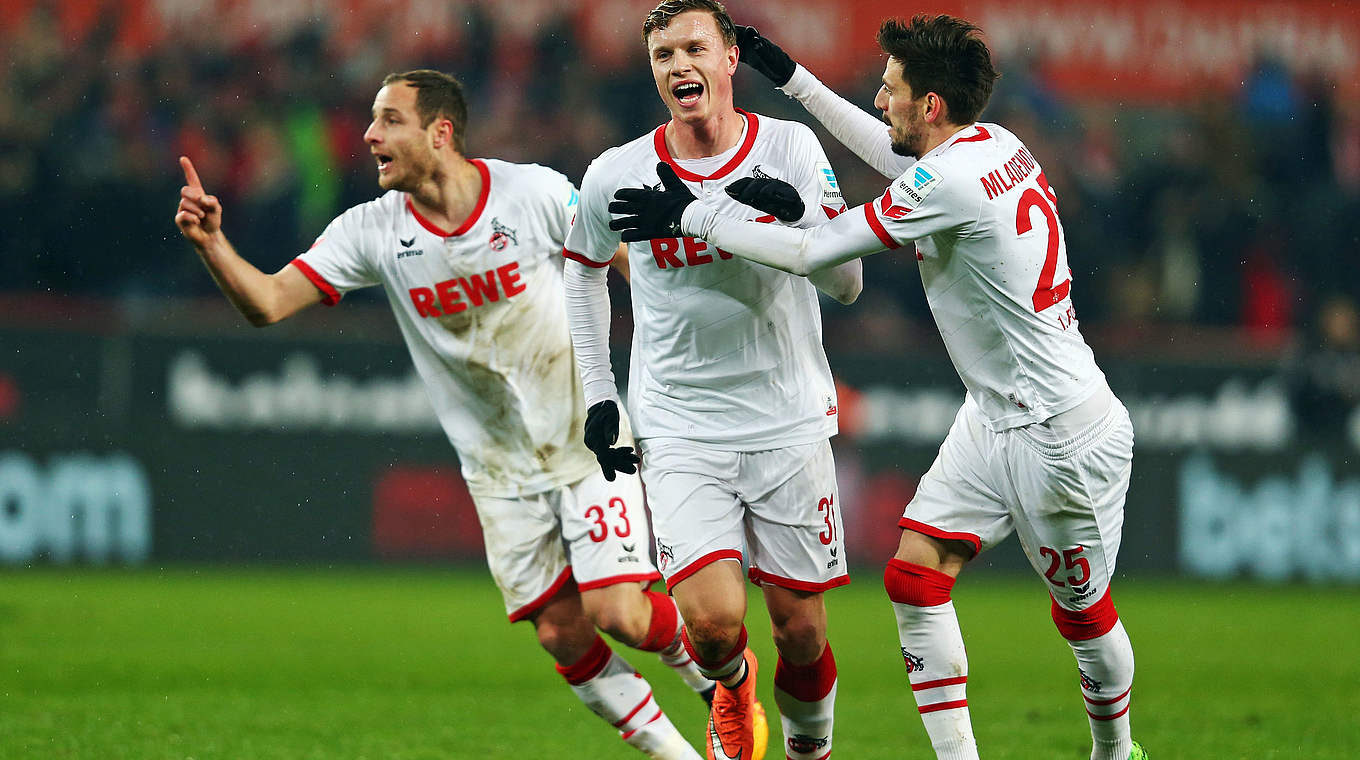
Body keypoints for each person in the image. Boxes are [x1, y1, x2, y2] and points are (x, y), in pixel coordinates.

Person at [608, 15, 1148, 760]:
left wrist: (691, 213)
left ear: (928, 105)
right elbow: (888, 151)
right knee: (913, 579)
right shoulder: (993, 146)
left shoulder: (950, 181)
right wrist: (792, 77)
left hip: (1059, 433)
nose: (879, 99)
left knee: (1084, 616)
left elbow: (819, 255)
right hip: (995, 417)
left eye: (890, 90)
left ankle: (1117, 751)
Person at [174, 69, 714, 760]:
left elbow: (625, 260)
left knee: (620, 615)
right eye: (373, 120)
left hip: (588, 440)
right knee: (559, 633)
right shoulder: (371, 231)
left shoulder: (533, 193)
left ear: (441, 131)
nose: (370, 134)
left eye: (389, 120)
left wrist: (675, 356)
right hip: (496, 467)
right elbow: (270, 303)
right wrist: (214, 245)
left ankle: (719, 680)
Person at [562, 2, 864, 758]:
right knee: (712, 624)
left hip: (786, 419)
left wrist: (787, 223)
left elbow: (850, 283)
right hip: (680, 423)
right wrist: (599, 391)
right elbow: (583, 271)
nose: (679, 65)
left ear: (732, 59)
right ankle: (730, 687)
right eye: (663, 54)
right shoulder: (616, 173)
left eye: (695, 47)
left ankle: (809, 751)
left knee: (801, 629)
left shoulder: (791, 148)